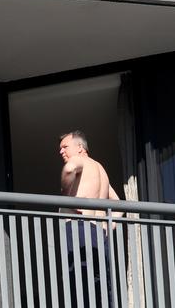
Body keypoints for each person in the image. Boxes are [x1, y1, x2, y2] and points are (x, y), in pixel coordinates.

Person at [58, 130, 120, 307]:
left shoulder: (79, 161)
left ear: (79, 147)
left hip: (80, 229)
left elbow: (69, 169)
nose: (61, 151)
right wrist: (109, 227)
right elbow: (118, 203)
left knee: (79, 283)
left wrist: (65, 195)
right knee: (99, 286)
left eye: (65, 147)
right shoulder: (101, 170)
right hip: (99, 235)